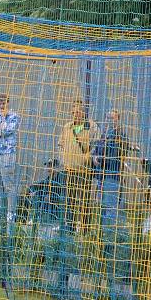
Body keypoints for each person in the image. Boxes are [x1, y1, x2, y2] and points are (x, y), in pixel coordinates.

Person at [58, 98, 97, 232]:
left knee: (84, 201)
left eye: (80, 110)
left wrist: (89, 155)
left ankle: (85, 229)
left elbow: (98, 145)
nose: (77, 112)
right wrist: (63, 158)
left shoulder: (91, 126)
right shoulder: (67, 127)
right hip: (69, 169)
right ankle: (70, 227)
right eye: (75, 110)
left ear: (84, 112)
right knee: (70, 200)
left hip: (84, 171)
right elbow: (61, 144)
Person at [91, 109, 133, 227]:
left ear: (118, 120)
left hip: (112, 176)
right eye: (108, 117)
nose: (110, 120)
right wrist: (95, 157)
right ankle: (100, 232)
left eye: (113, 118)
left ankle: (109, 235)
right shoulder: (103, 135)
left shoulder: (120, 136)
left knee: (110, 208)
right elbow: (96, 151)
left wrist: (102, 157)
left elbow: (118, 154)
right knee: (100, 207)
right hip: (101, 177)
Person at [0, 93, 20, 222]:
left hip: (7, 154)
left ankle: (11, 212)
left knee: (9, 185)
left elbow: (8, 131)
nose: (1, 106)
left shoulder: (14, 116)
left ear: (8, 103)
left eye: (3, 103)